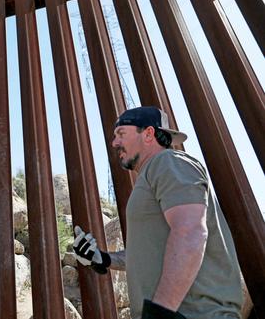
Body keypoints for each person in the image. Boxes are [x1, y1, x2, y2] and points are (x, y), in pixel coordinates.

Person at [73, 106, 243, 319]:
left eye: (121, 134)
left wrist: (161, 311)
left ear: (148, 134)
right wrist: (103, 258)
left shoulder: (169, 162)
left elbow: (190, 232)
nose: (115, 143)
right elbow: (150, 252)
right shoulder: (154, 173)